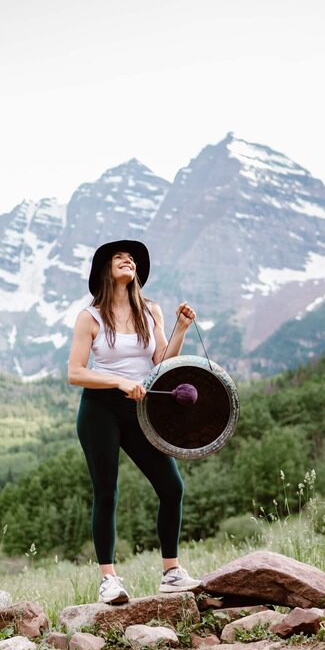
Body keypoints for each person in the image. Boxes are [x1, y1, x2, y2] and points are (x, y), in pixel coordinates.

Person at [67, 238, 203, 604]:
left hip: (142, 408)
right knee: (107, 492)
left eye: (131, 258)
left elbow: (160, 363)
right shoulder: (90, 317)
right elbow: (76, 372)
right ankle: (109, 580)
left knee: (172, 487)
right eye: (118, 257)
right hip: (100, 409)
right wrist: (118, 380)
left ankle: (172, 573)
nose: (127, 260)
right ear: (105, 270)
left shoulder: (150, 311)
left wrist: (181, 329)